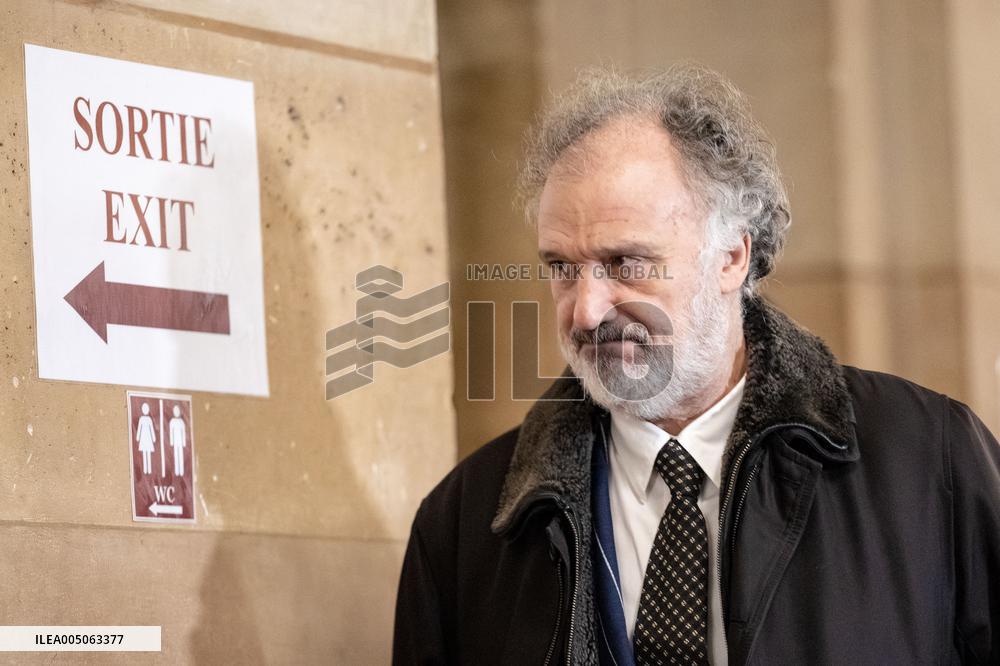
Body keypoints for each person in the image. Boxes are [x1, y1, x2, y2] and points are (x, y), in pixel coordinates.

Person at [393, 65, 1000, 664]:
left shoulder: (929, 462)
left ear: (732, 257)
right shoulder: (463, 524)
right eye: (561, 268)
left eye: (626, 262)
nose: (584, 311)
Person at [136, 402, 156, 476]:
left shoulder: (149, 420)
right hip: (144, 439)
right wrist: (138, 437)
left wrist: (153, 438)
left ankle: (149, 469)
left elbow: (151, 429)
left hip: (148, 438)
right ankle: (145, 469)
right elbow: (139, 429)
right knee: (145, 453)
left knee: (148, 454)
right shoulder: (141, 419)